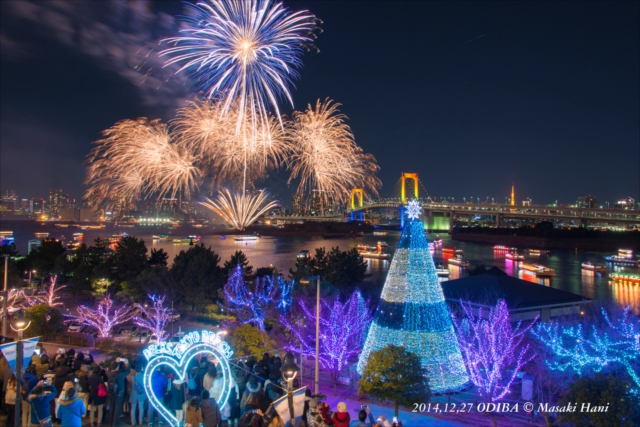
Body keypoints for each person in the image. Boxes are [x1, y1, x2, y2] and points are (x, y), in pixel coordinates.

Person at [110, 360, 130, 426]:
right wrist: (125, 362)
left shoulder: (110, 373)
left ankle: (111, 421)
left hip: (112, 391)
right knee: (117, 407)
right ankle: (114, 422)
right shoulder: (121, 374)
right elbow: (128, 370)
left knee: (112, 406)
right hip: (120, 392)